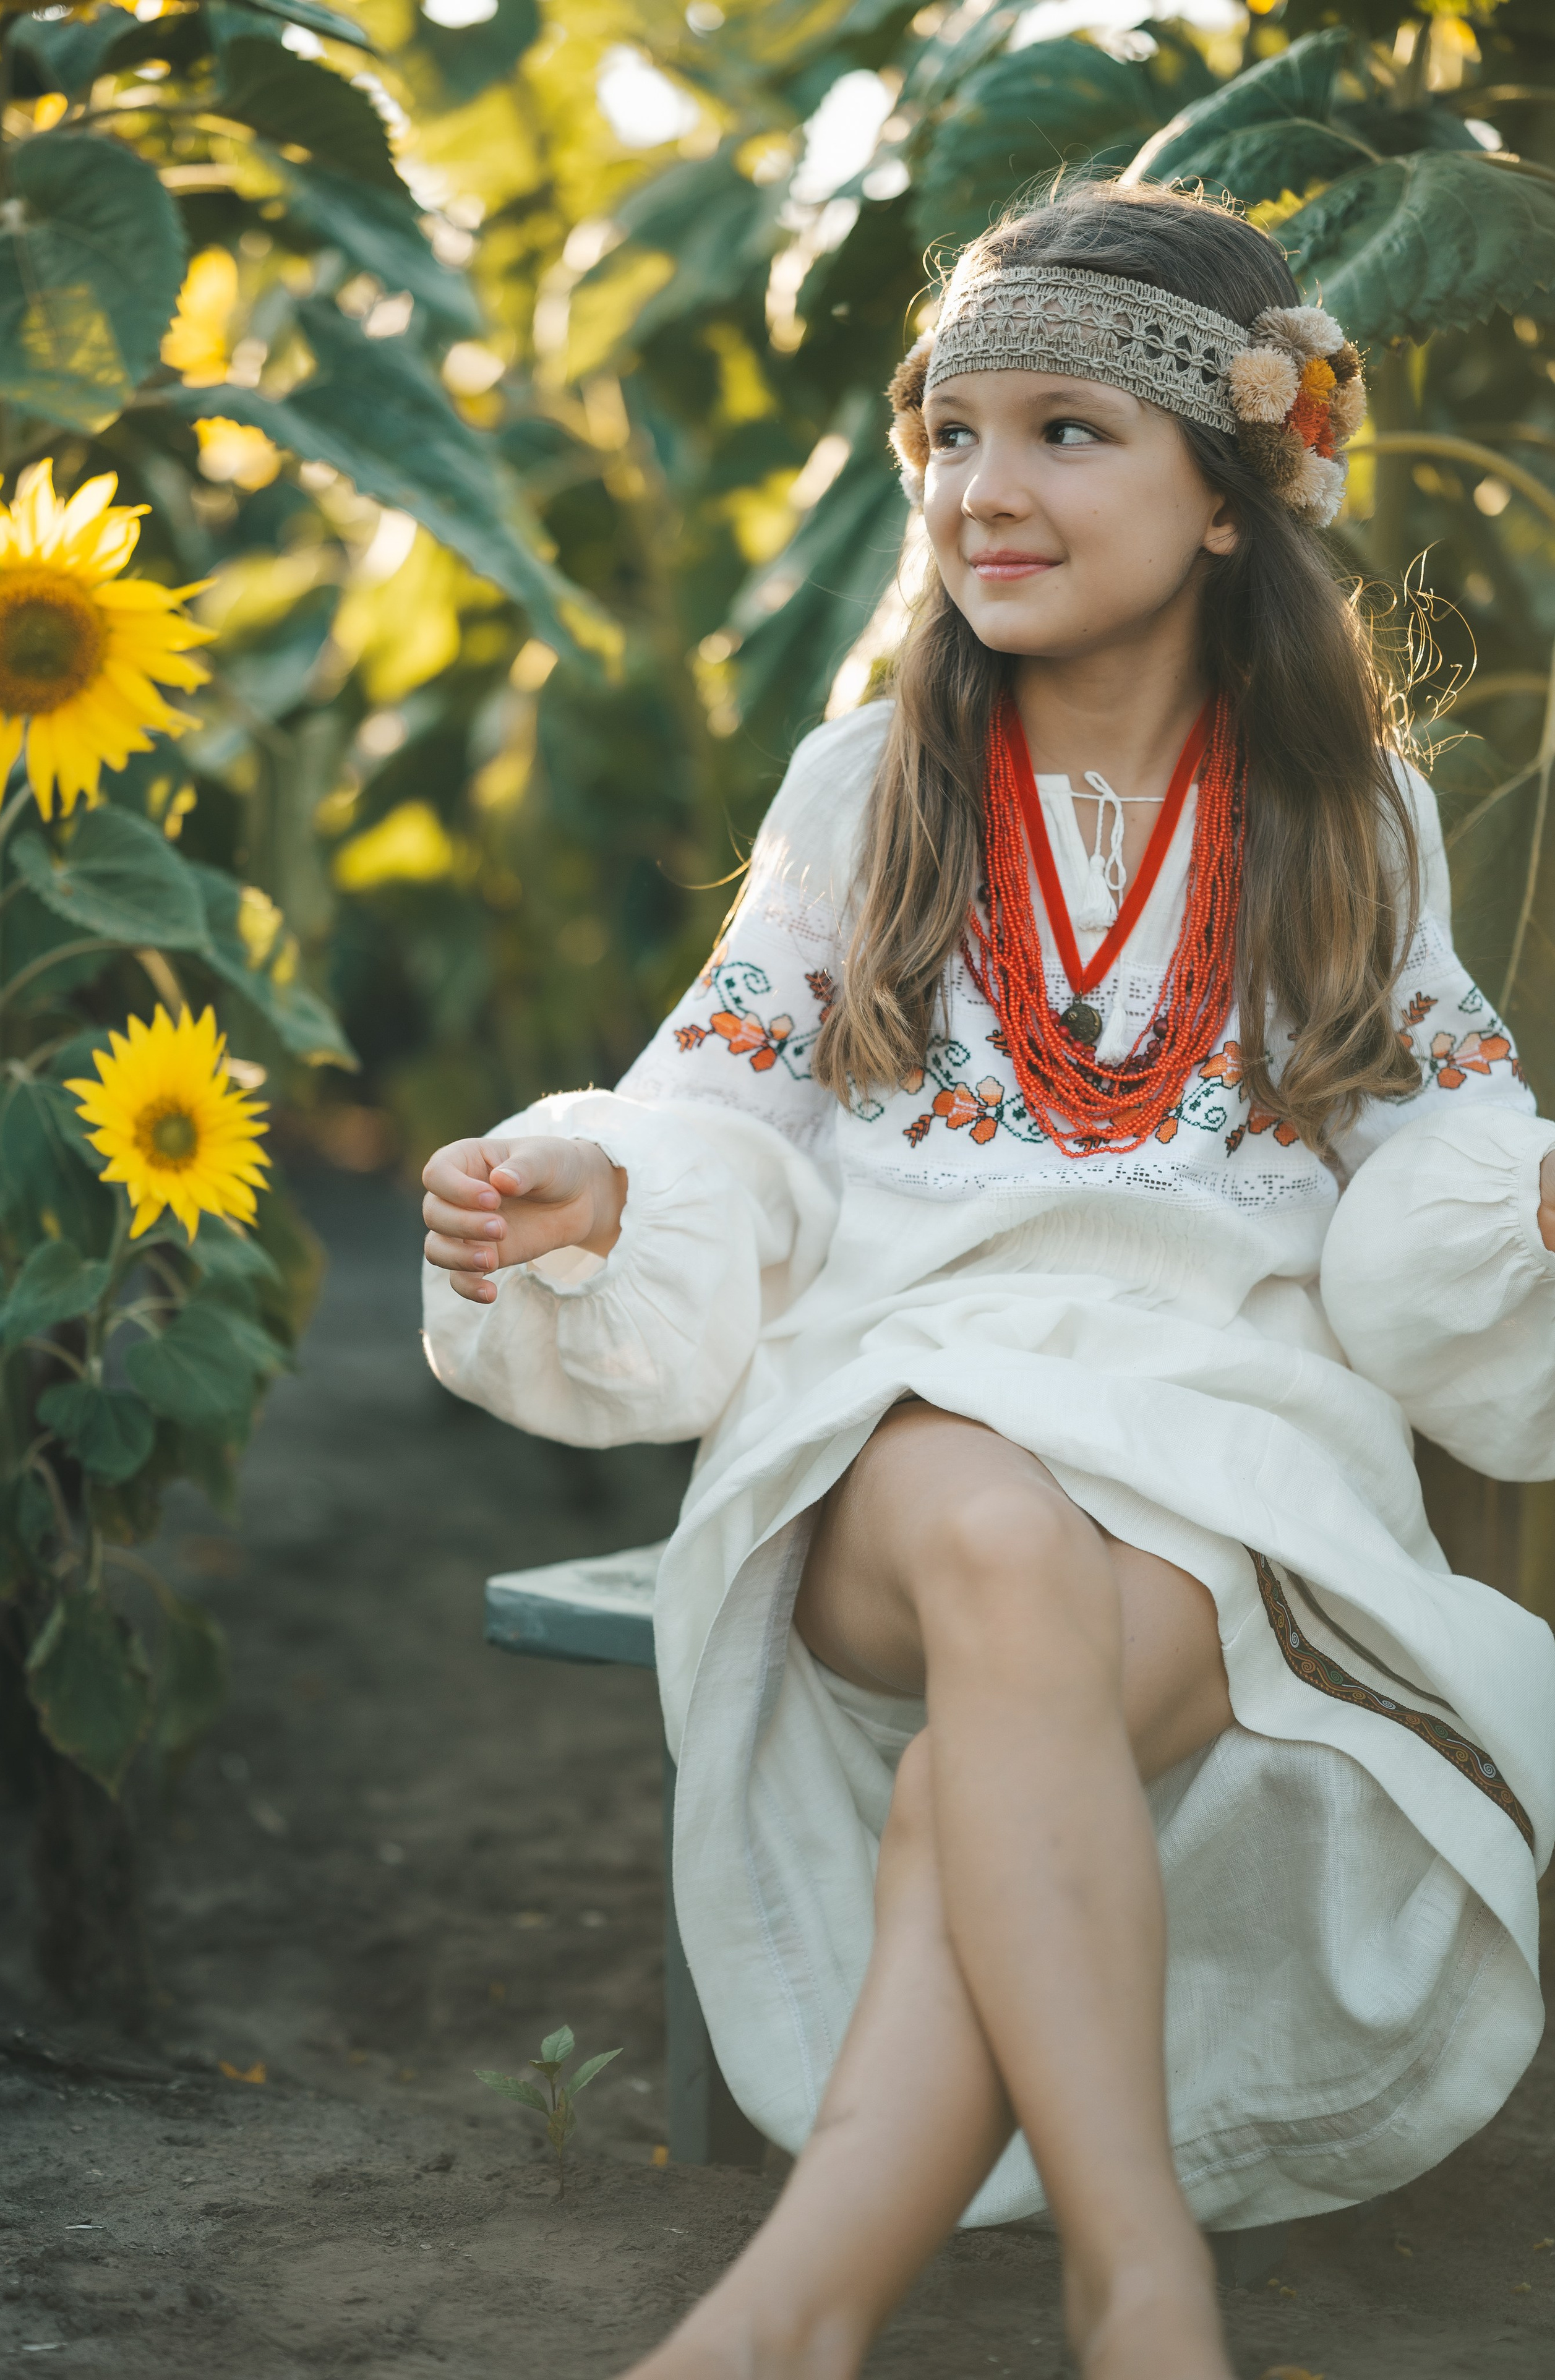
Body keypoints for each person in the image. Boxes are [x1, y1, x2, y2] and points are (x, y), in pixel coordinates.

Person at [419, 182, 1555, 2380]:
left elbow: (1446, 1137)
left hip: (1225, 1476)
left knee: (986, 1778)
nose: (981, 491)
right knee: (1006, 1543)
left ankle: (782, 2322)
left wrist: (1515, 1209)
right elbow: (722, 1095)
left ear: (1237, 493)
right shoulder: (879, 787)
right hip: (903, 1437)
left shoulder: (1352, 822)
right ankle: (1148, 2301)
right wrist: (593, 1185)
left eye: (1064, 434)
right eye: (952, 433)